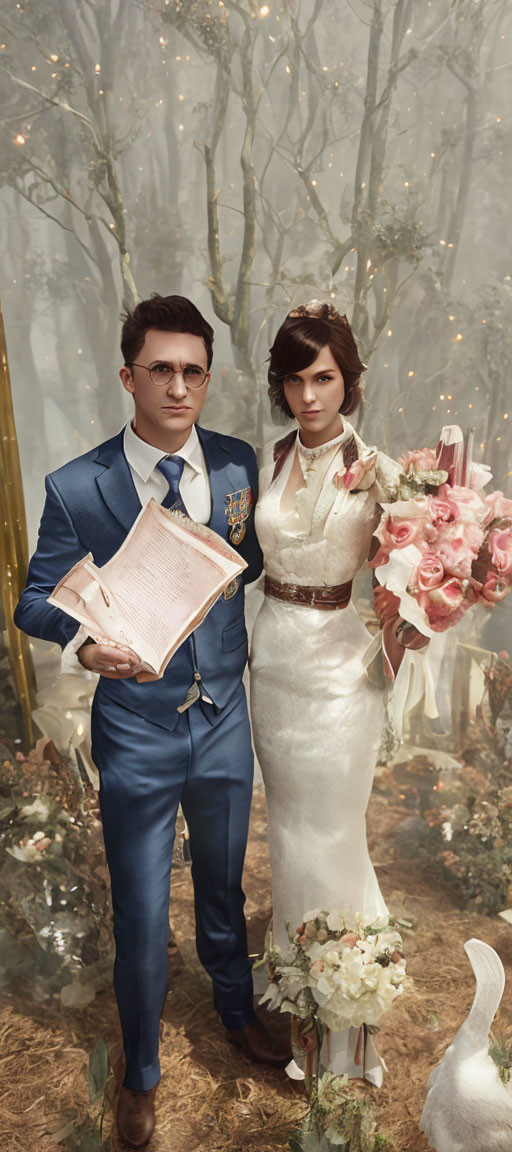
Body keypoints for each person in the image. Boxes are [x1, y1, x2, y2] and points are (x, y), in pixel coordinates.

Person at [14, 294, 289, 1150]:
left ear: (209, 379)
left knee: (222, 886)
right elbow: (33, 600)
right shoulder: (76, 484)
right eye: (161, 369)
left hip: (224, 723)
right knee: (140, 906)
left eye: (193, 370)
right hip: (135, 727)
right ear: (128, 375)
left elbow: (256, 572)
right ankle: (139, 1076)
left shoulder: (241, 468)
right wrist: (84, 648)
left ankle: (239, 1016)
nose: (178, 386)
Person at [249, 300, 427, 1084]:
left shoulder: (383, 471)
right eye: (294, 379)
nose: (309, 395)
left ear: (349, 381)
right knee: (288, 837)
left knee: (334, 838)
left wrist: (409, 627)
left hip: (339, 675)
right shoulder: (268, 457)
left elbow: (417, 586)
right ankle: (303, 1006)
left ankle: (350, 1021)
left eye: (323, 377)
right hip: (273, 664)